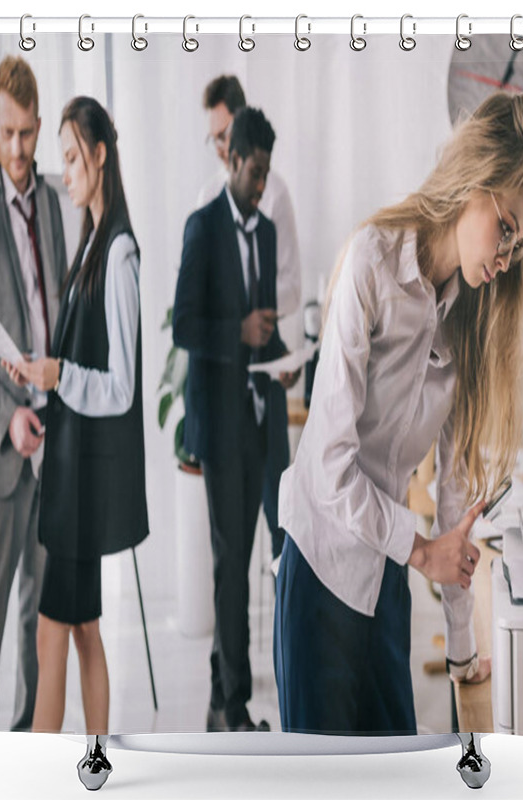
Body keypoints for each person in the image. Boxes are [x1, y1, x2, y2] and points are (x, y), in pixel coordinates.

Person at [274, 91, 523, 735]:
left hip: (387, 577)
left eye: (519, 241)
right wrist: (422, 550)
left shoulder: (466, 323)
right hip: (319, 571)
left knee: (396, 773)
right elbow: (330, 469)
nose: (506, 256)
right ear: (473, 182)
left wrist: (462, 652)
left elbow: (454, 503)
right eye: (506, 227)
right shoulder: (371, 261)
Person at [4, 97, 148, 748]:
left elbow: (119, 387)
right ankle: (95, 762)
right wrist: (44, 378)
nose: (63, 173)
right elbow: (80, 360)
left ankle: (43, 771)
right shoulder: (91, 239)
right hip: (71, 476)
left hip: (81, 489)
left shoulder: (118, 254)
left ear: (99, 154)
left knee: (51, 631)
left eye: (70, 158)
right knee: (83, 629)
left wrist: (59, 375)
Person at [174, 106, 300, 733]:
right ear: (231, 161)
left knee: (275, 557)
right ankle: (233, 706)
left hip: (264, 424)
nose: (261, 184)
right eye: (254, 171)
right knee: (230, 566)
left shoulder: (270, 231)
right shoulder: (202, 228)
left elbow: (267, 331)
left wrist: (285, 361)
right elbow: (185, 326)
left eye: (267, 173)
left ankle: (241, 692)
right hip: (222, 430)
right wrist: (239, 332)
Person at [0, 55, 68, 731]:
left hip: (53, 429)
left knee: (40, 608)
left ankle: (30, 742)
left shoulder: (55, 201)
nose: (20, 150)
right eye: (9, 135)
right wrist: (7, 419)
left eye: (29, 133)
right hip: (1, 442)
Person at [197, 75, 301, 561]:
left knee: (282, 526)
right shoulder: (206, 204)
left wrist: (253, 317)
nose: (219, 147)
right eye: (214, 138)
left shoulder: (274, 194)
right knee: (230, 551)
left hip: (265, 381)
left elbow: (291, 286)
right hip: (224, 390)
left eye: (222, 135)